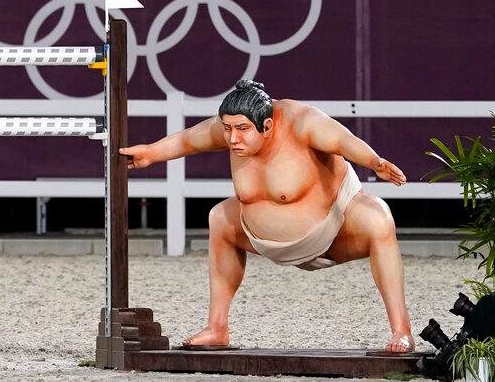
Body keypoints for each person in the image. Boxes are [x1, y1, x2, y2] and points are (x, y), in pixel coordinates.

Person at [120, 79, 415, 353]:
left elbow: (343, 141)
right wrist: (150, 152)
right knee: (220, 217)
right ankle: (216, 328)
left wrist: (374, 161)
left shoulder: (304, 122)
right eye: (227, 128)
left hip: (331, 234)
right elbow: (188, 141)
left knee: (377, 217)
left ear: (268, 125)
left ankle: (401, 331)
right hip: (263, 239)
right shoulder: (234, 126)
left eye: (242, 129)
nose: (232, 138)